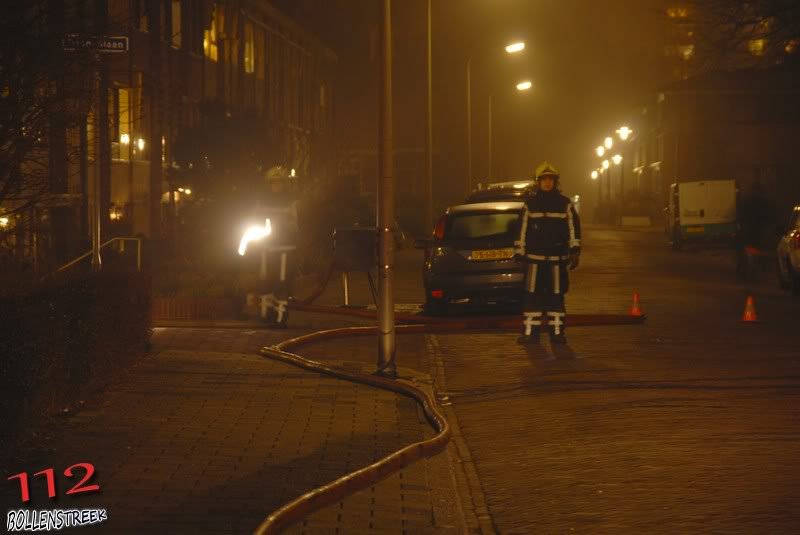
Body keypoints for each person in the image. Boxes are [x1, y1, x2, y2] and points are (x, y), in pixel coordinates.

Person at [516, 162, 581, 344]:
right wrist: (520, 253)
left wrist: (574, 251)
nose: (547, 182)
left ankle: (557, 332)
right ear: (538, 182)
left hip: (556, 261)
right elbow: (521, 230)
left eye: (550, 179)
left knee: (556, 297)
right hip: (534, 262)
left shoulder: (564, 204)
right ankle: (530, 332)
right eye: (543, 179)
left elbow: (573, 228)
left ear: (555, 181)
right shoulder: (530, 205)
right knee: (532, 298)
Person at [257, 166, 299, 327]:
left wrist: (287, 228)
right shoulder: (261, 202)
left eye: (279, 182)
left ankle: (281, 315)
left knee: (282, 281)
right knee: (265, 280)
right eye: (273, 183)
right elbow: (255, 219)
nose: (276, 186)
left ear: (284, 184)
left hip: (285, 248)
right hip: (266, 247)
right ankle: (266, 313)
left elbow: (295, 224)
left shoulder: (290, 202)